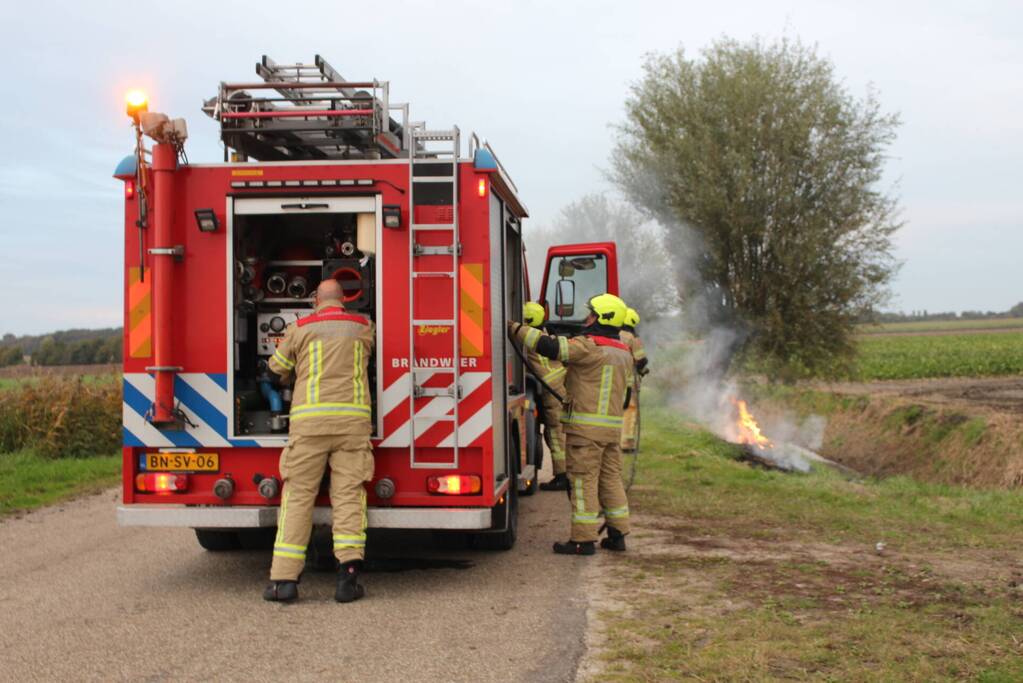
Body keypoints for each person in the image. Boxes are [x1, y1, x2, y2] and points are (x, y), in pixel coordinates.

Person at [263, 279, 375, 603]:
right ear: (343, 300)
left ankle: (284, 582)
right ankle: (348, 580)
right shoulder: (363, 326)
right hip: (352, 425)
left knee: (297, 497)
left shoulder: (300, 328)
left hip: (309, 426)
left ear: (316, 300)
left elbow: (276, 370)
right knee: (349, 497)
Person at [508, 293, 633, 555]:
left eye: (592, 314)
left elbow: (551, 348)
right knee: (611, 480)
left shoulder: (590, 347)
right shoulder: (623, 352)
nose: (588, 318)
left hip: (585, 431)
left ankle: (582, 540)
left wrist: (516, 329)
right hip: (611, 431)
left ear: (602, 317)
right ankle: (618, 534)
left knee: (582, 481)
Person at [521, 302, 570, 491]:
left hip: (552, 391)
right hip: (559, 387)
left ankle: (563, 476)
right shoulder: (546, 335)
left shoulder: (529, 338)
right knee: (557, 432)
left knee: (556, 434)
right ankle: (564, 474)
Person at [618, 307, 648, 450]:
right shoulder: (632, 338)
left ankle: (614, 441)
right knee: (630, 410)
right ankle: (626, 444)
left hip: (613, 378)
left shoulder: (614, 335)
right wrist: (642, 370)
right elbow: (641, 359)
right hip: (629, 381)